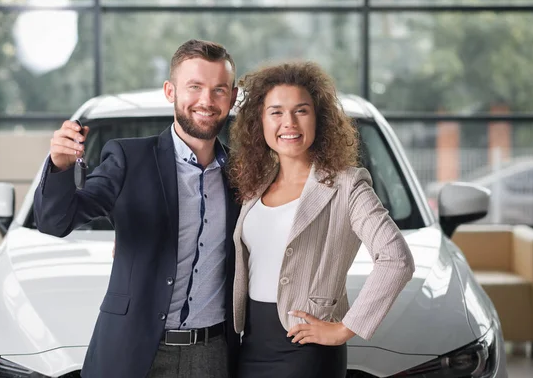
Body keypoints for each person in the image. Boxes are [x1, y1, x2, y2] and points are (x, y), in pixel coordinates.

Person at [33, 39, 241, 378]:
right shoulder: (129, 158)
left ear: (232, 97)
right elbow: (56, 222)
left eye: (219, 90)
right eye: (195, 87)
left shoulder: (242, 174)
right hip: (133, 351)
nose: (207, 100)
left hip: (212, 355)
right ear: (170, 91)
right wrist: (59, 165)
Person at [228, 61, 415, 378]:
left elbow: (397, 259)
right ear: (259, 121)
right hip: (250, 344)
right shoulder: (253, 185)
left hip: (307, 352)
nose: (289, 122)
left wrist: (344, 329)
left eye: (301, 111)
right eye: (276, 112)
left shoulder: (347, 185)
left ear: (319, 119)